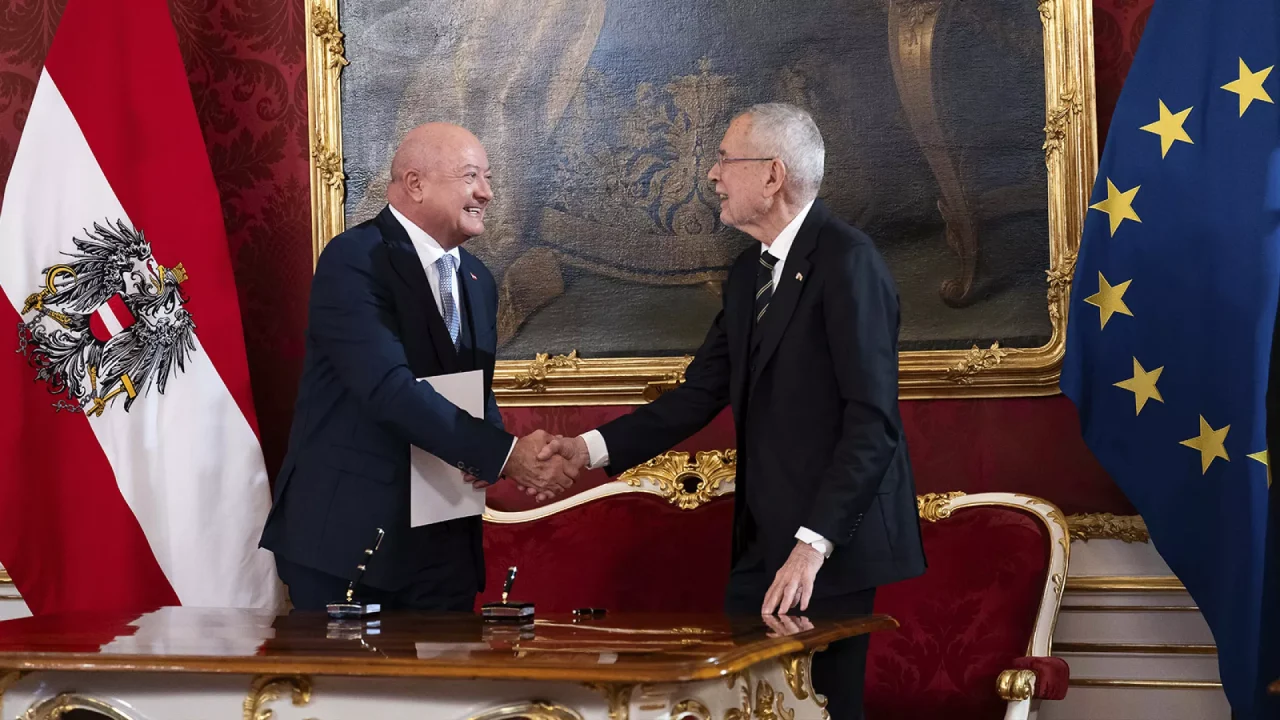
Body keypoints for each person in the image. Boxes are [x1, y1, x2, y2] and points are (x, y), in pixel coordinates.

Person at [544, 103, 925, 719]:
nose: (712, 174)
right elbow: (698, 393)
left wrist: (812, 547)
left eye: (725, 159)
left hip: (828, 550)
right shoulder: (750, 272)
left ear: (772, 175)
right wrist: (586, 449)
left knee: (822, 711)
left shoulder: (848, 261)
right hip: (760, 543)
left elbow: (872, 423)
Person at [260, 123, 575, 612]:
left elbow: (470, 388)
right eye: (471, 176)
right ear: (415, 183)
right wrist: (505, 455)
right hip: (352, 543)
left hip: (444, 548)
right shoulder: (355, 259)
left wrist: (497, 442)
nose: (486, 193)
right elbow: (389, 389)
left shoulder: (477, 279)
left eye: (488, 178)